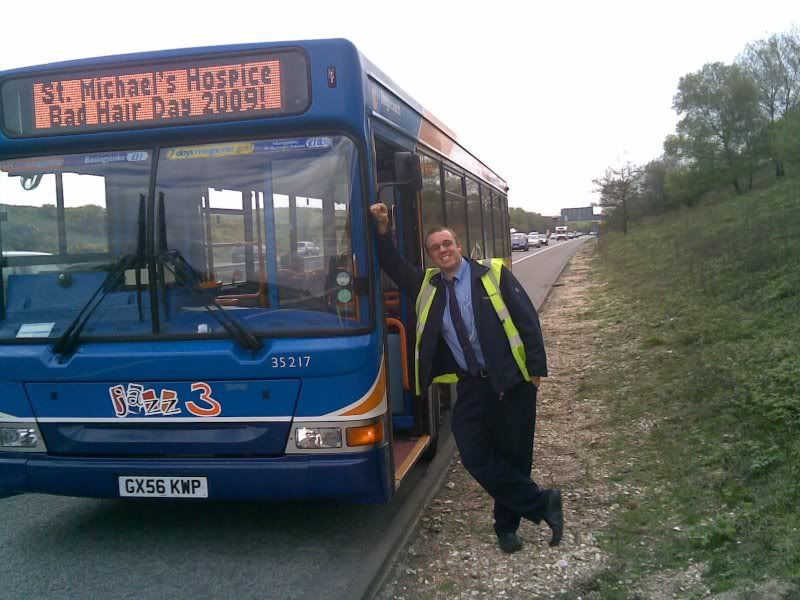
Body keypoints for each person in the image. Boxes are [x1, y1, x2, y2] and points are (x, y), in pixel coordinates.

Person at [369, 202, 563, 553]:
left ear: (458, 245)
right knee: (473, 455)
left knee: (514, 457)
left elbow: (527, 322)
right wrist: (384, 229)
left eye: (447, 244)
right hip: (472, 385)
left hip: (512, 381)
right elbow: (393, 264)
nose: (443, 251)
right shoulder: (427, 285)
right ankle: (542, 502)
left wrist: (535, 375)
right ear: (430, 256)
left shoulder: (492, 274)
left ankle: (506, 530)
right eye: (435, 248)